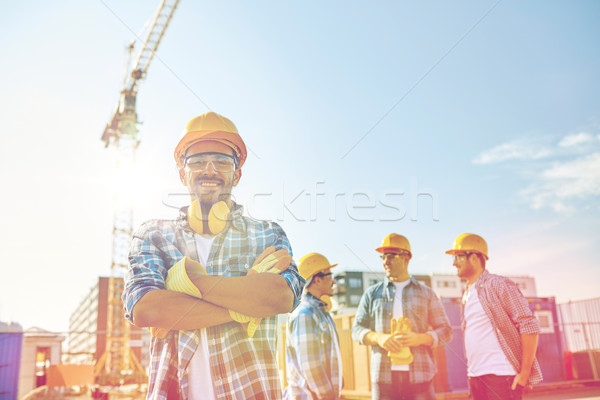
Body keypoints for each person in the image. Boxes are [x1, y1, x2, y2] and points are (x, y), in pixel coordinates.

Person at [122, 111, 305, 400]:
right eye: (197, 161)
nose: (210, 169)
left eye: (222, 161)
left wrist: (184, 282)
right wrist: (246, 303)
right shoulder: (153, 235)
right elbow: (146, 309)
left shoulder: (267, 235)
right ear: (182, 174)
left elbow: (281, 298)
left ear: (237, 173)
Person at [352, 234, 452, 400]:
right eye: (383, 257)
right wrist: (379, 338)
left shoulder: (426, 293)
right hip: (383, 378)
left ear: (406, 257)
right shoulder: (372, 294)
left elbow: (446, 331)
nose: (386, 261)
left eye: (391, 256)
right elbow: (356, 329)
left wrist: (420, 338)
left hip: (421, 376)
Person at [446, 233, 542, 400]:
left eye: (458, 257)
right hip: (476, 377)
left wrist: (524, 373)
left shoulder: (496, 284)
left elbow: (529, 324)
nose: (454, 263)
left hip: (501, 376)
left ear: (474, 258)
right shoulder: (467, 293)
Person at [285, 253, 343, 399]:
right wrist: (327, 395)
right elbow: (310, 364)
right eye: (330, 275)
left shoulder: (321, 312)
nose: (333, 281)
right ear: (317, 280)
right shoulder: (305, 313)